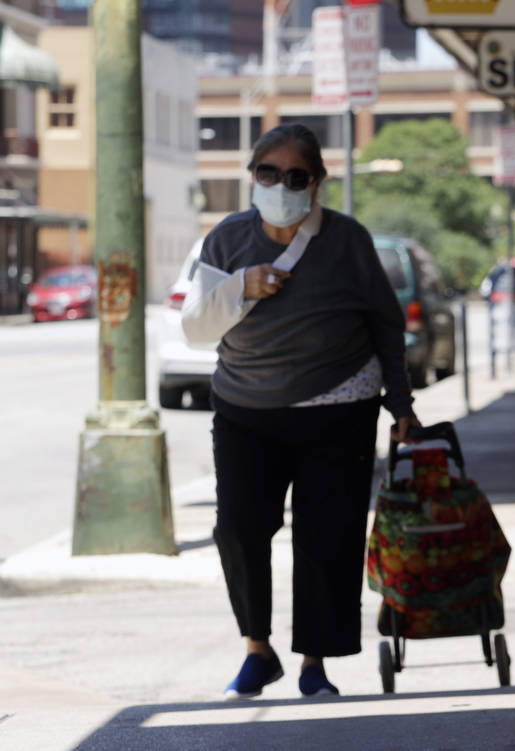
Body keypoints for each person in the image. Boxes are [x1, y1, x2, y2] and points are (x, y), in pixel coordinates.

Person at [181, 123, 420, 700]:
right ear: (252, 175)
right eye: (269, 173)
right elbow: (195, 327)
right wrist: (242, 285)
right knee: (238, 529)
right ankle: (257, 652)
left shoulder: (347, 241)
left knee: (326, 537)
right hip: (245, 407)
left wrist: (401, 405)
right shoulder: (227, 240)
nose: (281, 185)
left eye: (296, 176)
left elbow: (386, 324)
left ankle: (315, 663)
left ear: (316, 184)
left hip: (338, 405)